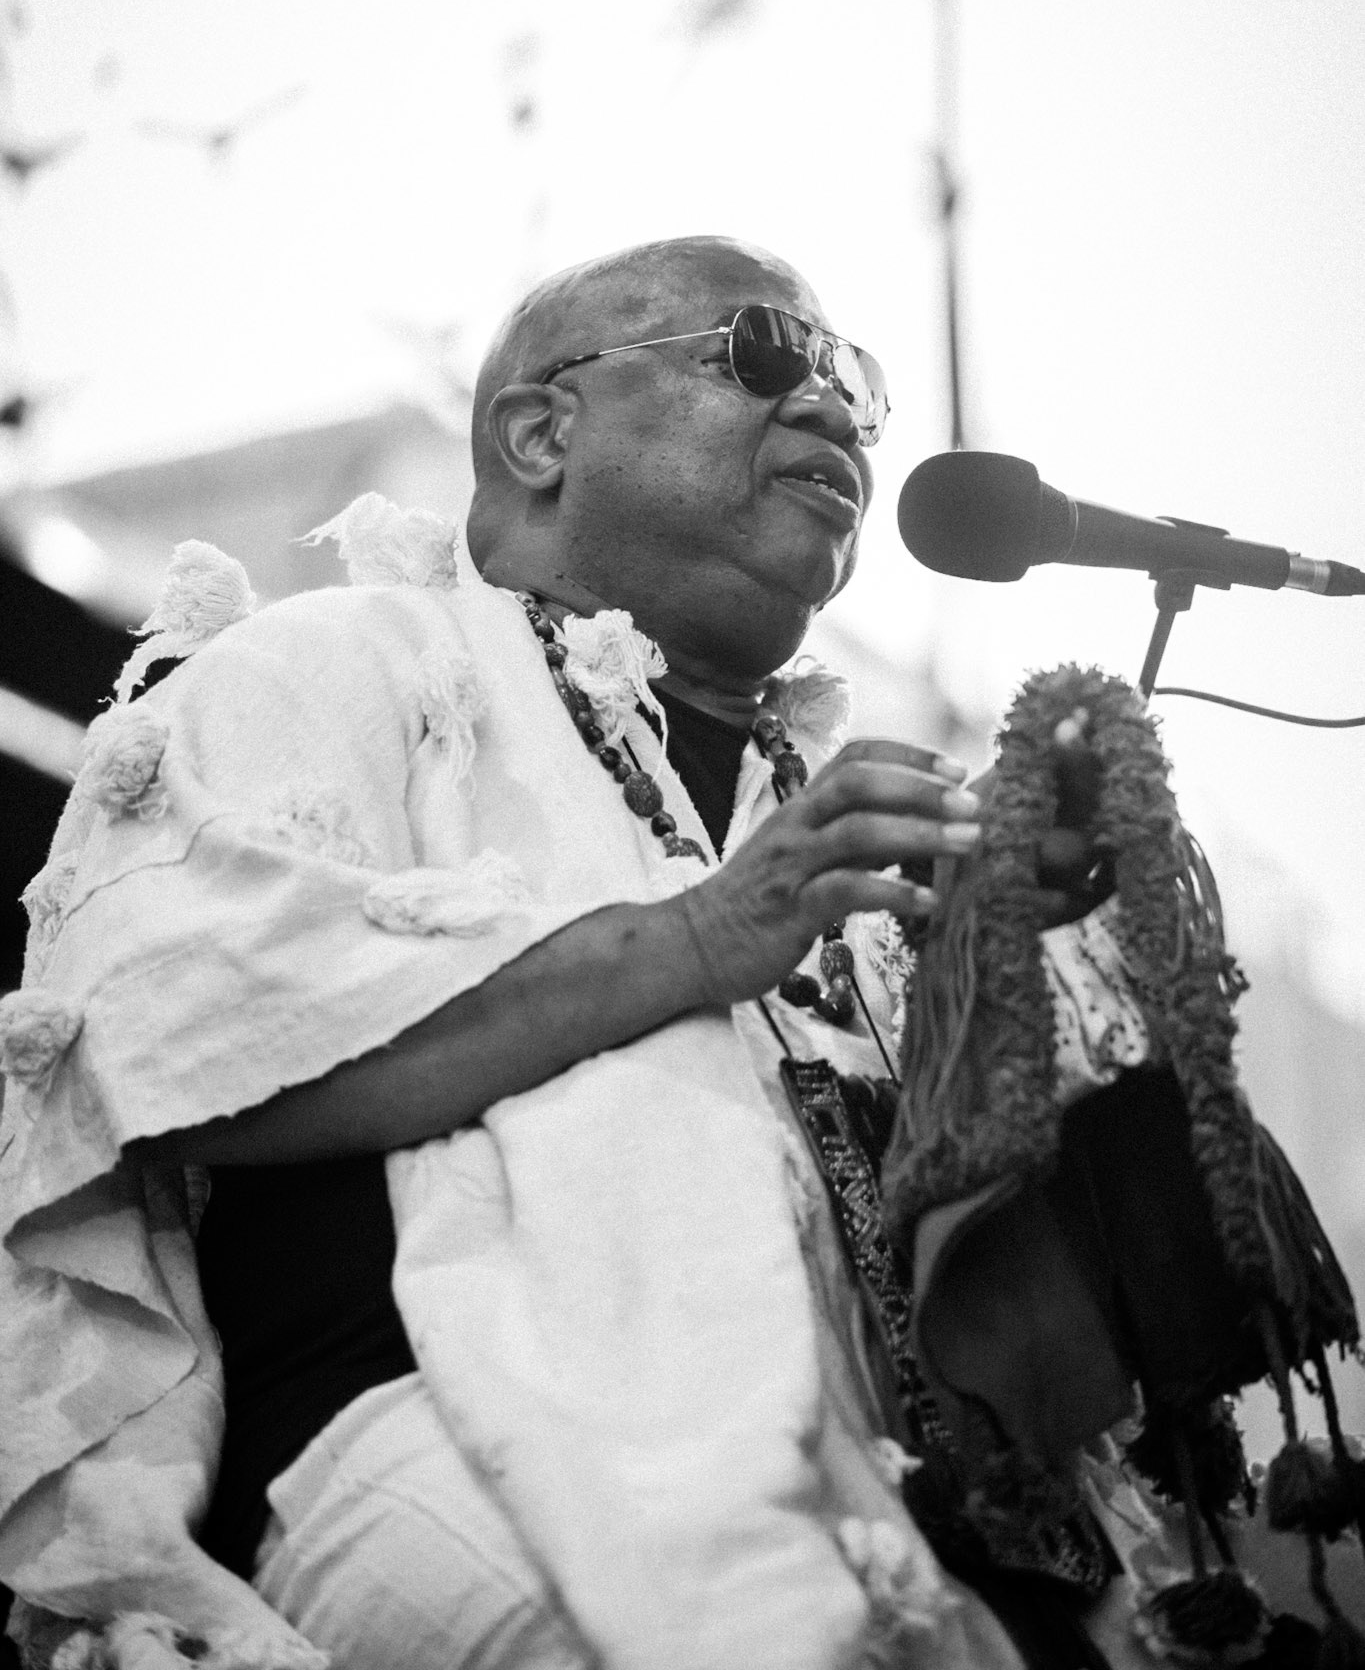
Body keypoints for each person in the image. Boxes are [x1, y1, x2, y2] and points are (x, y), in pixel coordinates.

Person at [0, 238, 1143, 1670]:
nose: (833, 413)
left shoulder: (847, 815)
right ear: (540, 434)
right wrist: (707, 932)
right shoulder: (338, 661)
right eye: (762, 354)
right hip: (453, 1452)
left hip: (867, 1505)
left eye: (855, 384)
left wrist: (1035, 993)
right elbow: (160, 1059)